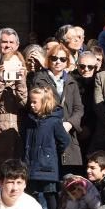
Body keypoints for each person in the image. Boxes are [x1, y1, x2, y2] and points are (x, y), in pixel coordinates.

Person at [32, 43, 84, 176]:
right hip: (47, 133)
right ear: (48, 59)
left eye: (62, 59)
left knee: (68, 180)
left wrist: (70, 123)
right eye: (54, 58)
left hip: (67, 134)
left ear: (67, 61)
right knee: (48, 180)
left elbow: (78, 108)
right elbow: (38, 106)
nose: (58, 62)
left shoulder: (71, 81)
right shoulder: (39, 79)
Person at [0, 29, 28, 190]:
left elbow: (23, 102)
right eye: (4, 42)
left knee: (15, 173)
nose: (8, 45)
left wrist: (21, 80)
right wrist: (1, 78)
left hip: (17, 129)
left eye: (11, 42)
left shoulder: (24, 80)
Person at [22, 86, 70, 209]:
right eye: (30, 102)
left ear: (45, 102)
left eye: (35, 102)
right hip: (30, 165)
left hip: (47, 166)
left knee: (50, 195)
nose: (31, 105)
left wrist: (49, 153)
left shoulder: (53, 121)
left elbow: (64, 140)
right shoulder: (29, 120)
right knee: (32, 196)